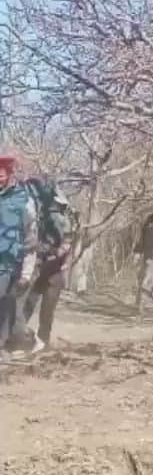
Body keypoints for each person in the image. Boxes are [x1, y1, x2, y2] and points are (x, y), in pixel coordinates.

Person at [21, 177, 73, 351]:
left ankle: (43, 342)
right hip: (41, 269)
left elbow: (66, 245)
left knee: (47, 311)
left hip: (55, 272)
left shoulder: (65, 222)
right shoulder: (42, 220)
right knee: (29, 304)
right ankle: (18, 336)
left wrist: (52, 253)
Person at [0, 151, 38, 355]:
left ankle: (10, 343)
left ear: (9, 174)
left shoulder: (21, 199)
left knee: (5, 304)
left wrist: (26, 271)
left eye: (2, 173)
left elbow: (31, 236)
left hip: (8, 262)